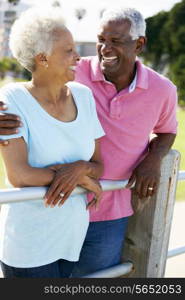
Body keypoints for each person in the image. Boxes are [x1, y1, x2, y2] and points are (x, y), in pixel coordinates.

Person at [0, 8, 177, 277]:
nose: (104, 49)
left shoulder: (160, 90)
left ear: (139, 44)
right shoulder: (71, 73)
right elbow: (20, 170)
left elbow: (166, 131)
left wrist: (152, 159)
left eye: (116, 41)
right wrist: (81, 177)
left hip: (107, 210)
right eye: (101, 39)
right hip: (45, 220)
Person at [0, 8, 105, 278]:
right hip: (29, 245)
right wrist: (81, 178)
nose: (78, 56)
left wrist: (80, 168)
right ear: (42, 58)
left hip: (71, 238)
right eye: (68, 50)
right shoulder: (11, 98)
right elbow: (20, 175)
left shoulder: (83, 96)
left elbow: (99, 165)